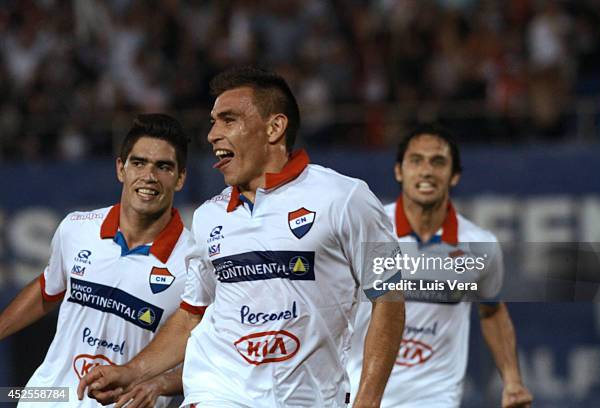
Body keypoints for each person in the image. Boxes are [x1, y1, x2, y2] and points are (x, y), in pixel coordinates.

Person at [77, 66, 405, 408]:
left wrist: (368, 400)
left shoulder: (346, 198)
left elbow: (389, 296)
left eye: (228, 120)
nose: (212, 134)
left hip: (312, 398)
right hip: (219, 393)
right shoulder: (208, 217)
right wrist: (132, 371)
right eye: (213, 121)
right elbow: (192, 315)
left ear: (275, 127)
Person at [0, 113, 193, 407]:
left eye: (163, 167)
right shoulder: (77, 228)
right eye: (138, 163)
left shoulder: (195, 261)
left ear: (180, 179)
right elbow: (49, 288)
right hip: (51, 396)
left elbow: (210, 353)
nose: (149, 176)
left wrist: (159, 384)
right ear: (121, 169)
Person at [348, 123, 533, 408]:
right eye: (416, 161)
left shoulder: (479, 245)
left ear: (454, 175)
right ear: (399, 171)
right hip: (362, 394)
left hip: (435, 398)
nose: (426, 171)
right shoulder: (369, 231)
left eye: (438, 162)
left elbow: (492, 312)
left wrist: (512, 381)